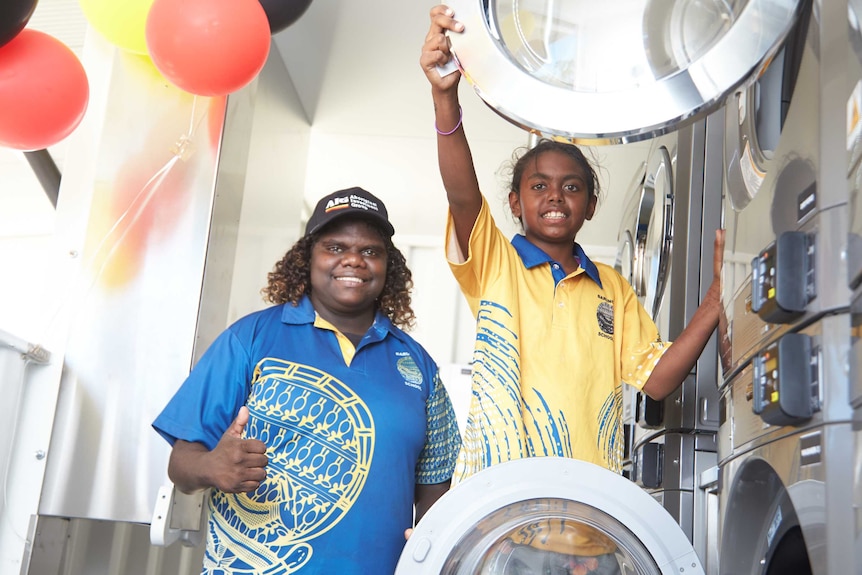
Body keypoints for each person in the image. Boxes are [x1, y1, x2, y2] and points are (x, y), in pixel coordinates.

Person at [419, 4, 724, 481]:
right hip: (498, 500)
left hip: (587, 508)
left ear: (591, 205)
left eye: (572, 186)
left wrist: (714, 303)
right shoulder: (496, 263)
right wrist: (445, 99)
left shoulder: (614, 290)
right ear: (515, 203)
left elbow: (660, 380)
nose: (555, 196)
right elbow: (461, 193)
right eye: (538, 186)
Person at [152, 186, 461, 574]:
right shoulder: (249, 340)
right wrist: (213, 467)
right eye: (335, 247)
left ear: (388, 266)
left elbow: (436, 488)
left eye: (370, 251)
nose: (353, 260)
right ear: (308, 258)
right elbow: (181, 464)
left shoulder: (418, 366)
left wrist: (431, 546)